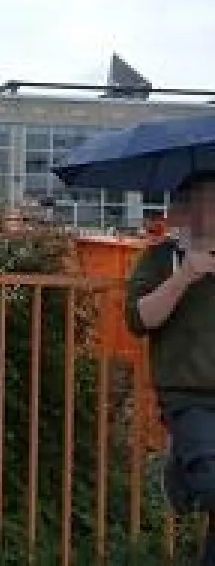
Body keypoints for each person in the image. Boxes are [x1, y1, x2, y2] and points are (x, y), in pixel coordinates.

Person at [126, 172, 215, 564]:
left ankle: (182, 467)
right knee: (212, 484)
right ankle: (182, 473)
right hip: (188, 393)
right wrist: (185, 276)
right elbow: (140, 319)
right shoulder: (163, 258)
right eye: (204, 200)